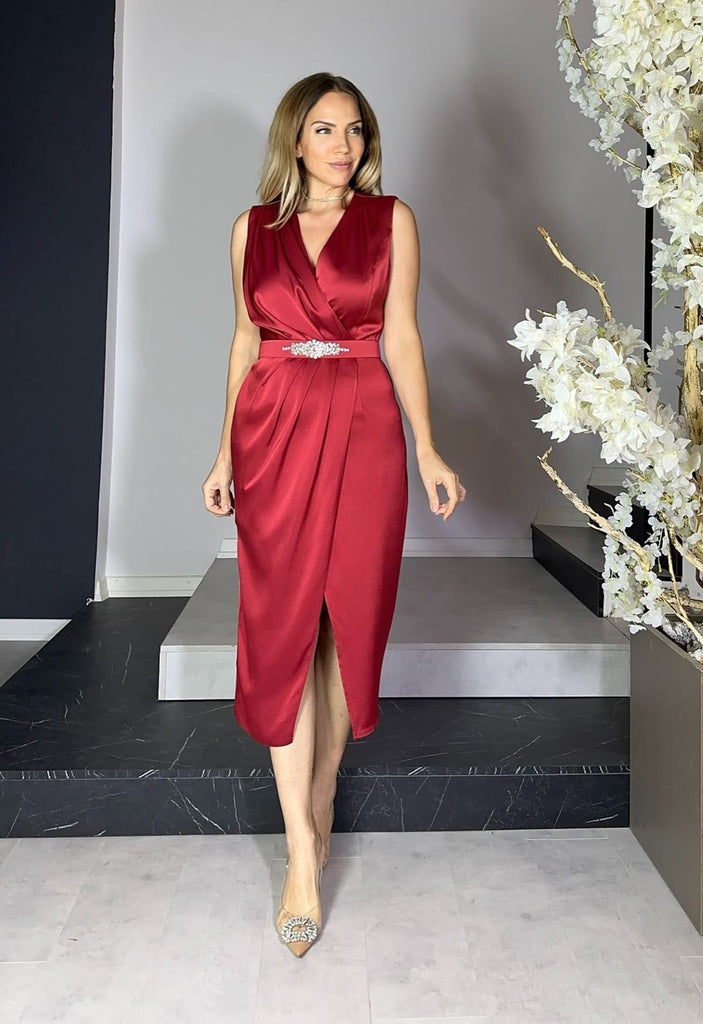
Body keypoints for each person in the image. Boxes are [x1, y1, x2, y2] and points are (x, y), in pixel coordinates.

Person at [202, 71, 466, 957]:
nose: (343, 145)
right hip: (273, 429)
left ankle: (318, 801)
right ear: (294, 138)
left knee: (348, 626)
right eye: (324, 129)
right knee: (285, 632)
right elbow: (246, 342)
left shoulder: (391, 221)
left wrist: (427, 447)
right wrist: (222, 453)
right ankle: (300, 860)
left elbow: (403, 336)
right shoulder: (251, 231)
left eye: (355, 130)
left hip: (363, 428)